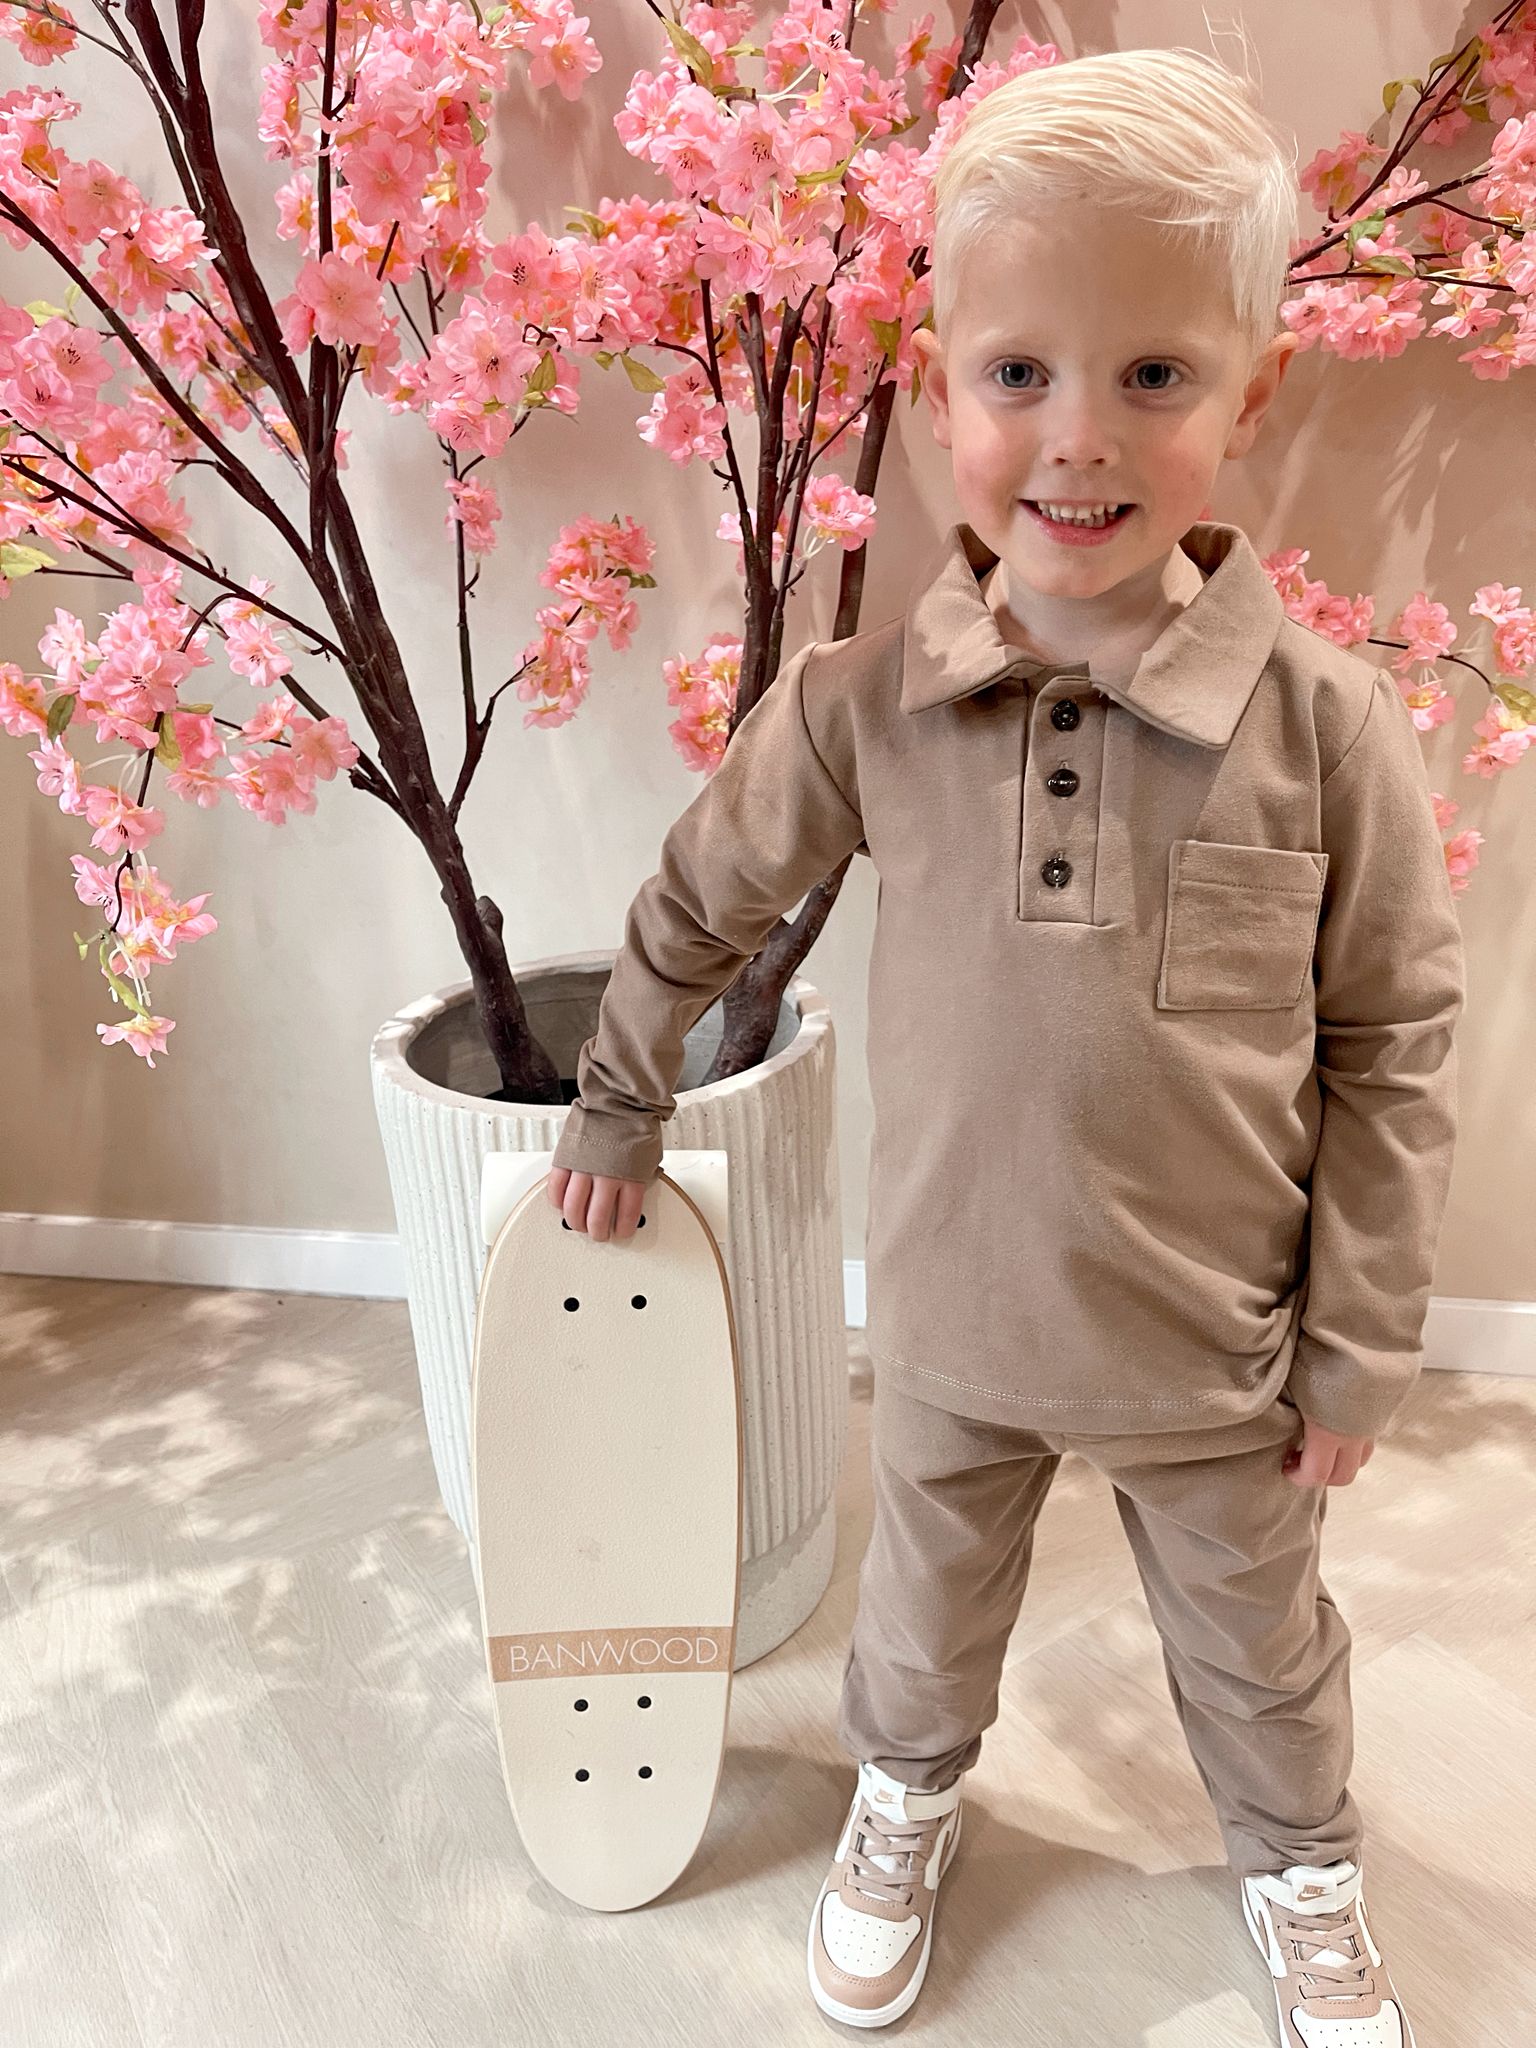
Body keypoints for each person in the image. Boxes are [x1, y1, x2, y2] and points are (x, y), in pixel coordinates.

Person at [547, 44, 1462, 2048]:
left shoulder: (1328, 730)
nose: (1077, 437)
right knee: (922, 1619)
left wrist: (1358, 1339)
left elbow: (1394, 1043)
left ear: (1253, 393)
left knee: (1263, 1652)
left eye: (1154, 375)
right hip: (956, 1323)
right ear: (936, 380)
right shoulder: (866, 702)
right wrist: (621, 1091)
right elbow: (702, 895)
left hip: (1218, 1356)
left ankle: (1301, 1858)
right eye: (1018, 372)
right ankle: (904, 1800)